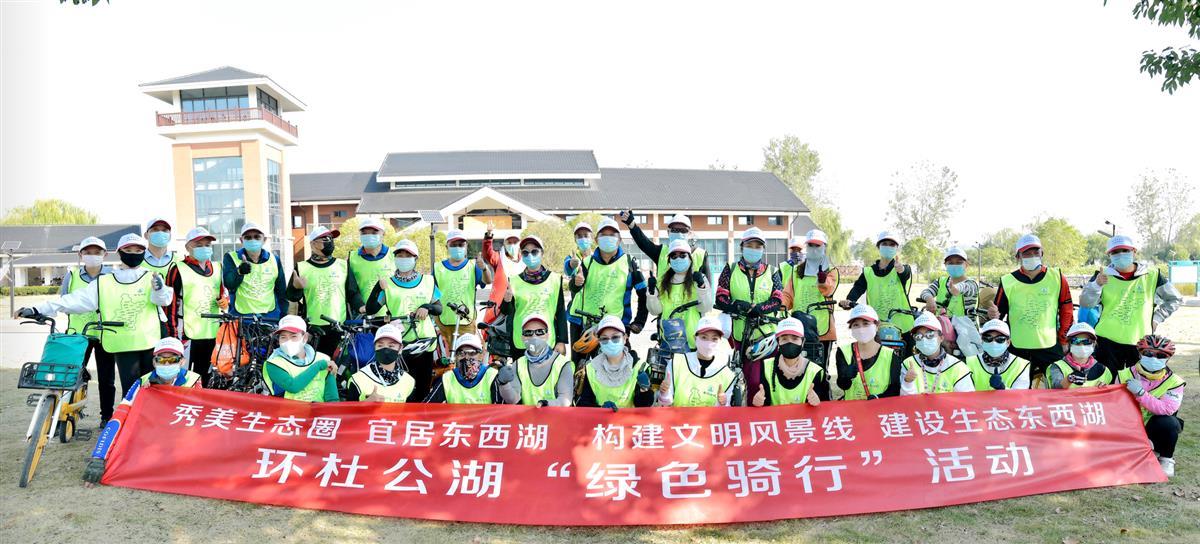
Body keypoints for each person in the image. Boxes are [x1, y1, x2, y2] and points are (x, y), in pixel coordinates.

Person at [20, 233, 173, 400]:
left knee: (157, 389)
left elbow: (164, 301)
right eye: (128, 250)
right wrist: (37, 309)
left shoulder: (152, 277)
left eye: (138, 250)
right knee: (131, 391)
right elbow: (73, 300)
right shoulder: (104, 282)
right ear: (120, 253)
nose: (133, 254)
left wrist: (160, 290)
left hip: (152, 341)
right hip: (124, 344)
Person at [82, 337, 201, 485]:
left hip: (178, 437)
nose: (167, 364)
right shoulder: (142, 382)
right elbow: (119, 417)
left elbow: (198, 420)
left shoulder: (194, 380)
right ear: (154, 362)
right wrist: (99, 457)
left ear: (182, 361)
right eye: (161, 360)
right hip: (149, 438)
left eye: (173, 359)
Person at [1080, 235, 1183, 374]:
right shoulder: (1102, 275)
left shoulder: (1152, 275)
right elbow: (1086, 303)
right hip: (1106, 342)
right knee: (1106, 383)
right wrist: (1096, 285)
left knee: (1138, 383)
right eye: (1115, 252)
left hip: (1140, 342)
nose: (1120, 254)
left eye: (1125, 250)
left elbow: (1175, 299)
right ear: (1109, 255)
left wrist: (1157, 319)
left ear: (1134, 251)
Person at [363, 239, 443, 401]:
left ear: (415, 259)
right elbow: (371, 309)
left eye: (408, 255)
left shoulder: (428, 281)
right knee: (403, 388)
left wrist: (427, 307)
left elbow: (439, 308)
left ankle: (420, 415)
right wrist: (377, 288)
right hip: (399, 344)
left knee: (423, 387)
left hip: (424, 343)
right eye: (400, 255)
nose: (403, 258)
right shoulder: (388, 283)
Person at [989, 233, 1073, 380]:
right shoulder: (1008, 281)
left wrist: (1064, 340)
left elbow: (1067, 310)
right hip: (1018, 348)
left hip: (1049, 346)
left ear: (1042, 253)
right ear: (1018, 257)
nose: (1032, 256)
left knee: (1058, 386)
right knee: (1018, 388)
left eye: (1036, 252)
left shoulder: (1057, 277)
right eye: (1027, 253)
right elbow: (998, 315)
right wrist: (993, 316)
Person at [715, 227, 784, 402]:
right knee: (751, 381)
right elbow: (721, 297)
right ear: (742, 247)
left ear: (763, 249)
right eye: (749, 245)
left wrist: (759, 308)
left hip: (767, 334)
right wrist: (738, 306)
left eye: (757, 246)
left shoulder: (773, 271)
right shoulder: (730, 269)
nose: (753, 249)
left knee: (770, 379)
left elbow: (777, 299)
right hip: (742, 335)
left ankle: (772, 412)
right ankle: (754, 414)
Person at [567, 217, 649, 361]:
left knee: (622, 367)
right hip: (586, 328)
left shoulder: (629, 262)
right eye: (603, 235)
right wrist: (576, 282)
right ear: (596, 240)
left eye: (612, 235)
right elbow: (574, 288)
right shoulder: (587, 262)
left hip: (616, 328)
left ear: (619, 239)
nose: (608, 238)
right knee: (580, 370)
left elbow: (644, 294)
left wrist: (639, 322)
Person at [59, 236, 116, 426]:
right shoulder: (72, 275)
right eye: (88, 252)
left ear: (105, 255)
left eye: (97, 252)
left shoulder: (112, 276)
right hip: (78, 336)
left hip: (104, 335)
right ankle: (65, 416)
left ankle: (106, 416)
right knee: (71, 377)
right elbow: (64, 302)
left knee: (106, 379)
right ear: (80, 254)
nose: (92, 255)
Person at [164, 227, 227, 387]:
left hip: (212, 332)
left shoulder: (217, 267)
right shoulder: (178, 269)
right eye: (199, 245)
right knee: (183, 378)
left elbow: (222, 294)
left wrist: (224, 301)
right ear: (188, 247)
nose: (204, 248)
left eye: (207, 245)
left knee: (207, 376)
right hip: (186, 334)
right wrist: (173, 335)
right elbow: (170, 305)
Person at [1117, 335, 1186, 477]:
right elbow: (1115, 404)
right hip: (1127, 425)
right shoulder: (1123, 374)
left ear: (1168, 358)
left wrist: (1141, 393)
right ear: (1140, 353)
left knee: (1169, 423)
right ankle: (1142, 447)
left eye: (1161, 355)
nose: (1154, 358)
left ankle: (1166, 459)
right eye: (1148, 353)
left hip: (1153, 426)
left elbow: (1167, 409)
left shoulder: (1175, 382)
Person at [841, 231, 914, 357]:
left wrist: (900, 269)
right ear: (878, 247)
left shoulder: (901, 268)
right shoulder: (868, 272)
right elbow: (858, 288)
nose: (888, 247)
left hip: (903, 326)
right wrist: (848, 301)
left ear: (896, 248)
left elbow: (905, 273)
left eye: (892, 245)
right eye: (885, 244)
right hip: (877, 326)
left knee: (907, 361)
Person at [781, 228, 839, 369]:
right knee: (798, 368)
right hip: (799, 327)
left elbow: (828, 290)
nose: (813, 249)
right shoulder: (796, 271)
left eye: (817, 245)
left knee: (820, 369)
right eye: (810, 245)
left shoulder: (831, 270)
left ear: (824, 247)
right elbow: (788, 295)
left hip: (822, 330)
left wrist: (822, 280)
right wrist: (779, 304)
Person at [500, 235, 568, 356]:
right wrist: (506, 300)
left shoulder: (555, 279)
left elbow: (560, 312)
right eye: (525, 253)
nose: (530, 255)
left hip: (547, 341)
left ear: (542, 253)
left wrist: (561, 341)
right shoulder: (514, 281)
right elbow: (506, 311)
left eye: (534, 251)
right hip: (521, 343)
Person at [287, 226, 349, 356]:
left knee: (337, 365)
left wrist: (362, 307)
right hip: (313, 329)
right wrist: (296, 288)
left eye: (331, 239)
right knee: (315, 363)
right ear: (313, 244)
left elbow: (352, 293)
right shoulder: (302, 267)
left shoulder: (343, 265)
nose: (329, 242)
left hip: (339, 327)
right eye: (325, 239)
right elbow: (291, 297)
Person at [432, 229, 492, 354]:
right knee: (444, 359)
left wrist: (484, 268)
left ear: (466, 246)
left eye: (461, 245)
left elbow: (487, 281)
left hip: (466, 322)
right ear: (447, 246)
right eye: (453, 245)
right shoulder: (438, 267)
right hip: (443, 322)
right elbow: (431, 292)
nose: (457, 248)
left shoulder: (473, 266)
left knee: (466, 356)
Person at [646, 239, 713, 350]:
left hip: (693, 342)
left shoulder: (699, 279)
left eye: (682, 255)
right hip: (668, 341)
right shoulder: (661, 282)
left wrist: (701, 287)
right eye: (674, 256)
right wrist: (652, 293)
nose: (678, 259)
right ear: (669, 261)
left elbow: (705, 307)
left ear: (690, 258)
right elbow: (655, 311)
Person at [620, 211, 710, 293]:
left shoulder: (701, 255)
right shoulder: (661, 252)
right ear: (668, 232)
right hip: (665, 305)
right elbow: (643, 243)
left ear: (689, 233)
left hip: (693, 305)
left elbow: (708, 288)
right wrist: (632, 224)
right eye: (674, 230)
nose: (679, 233)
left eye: (683, 230)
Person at [657, 315, 736, 407]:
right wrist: (664, 394)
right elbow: (665, 404)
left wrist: (722, 403)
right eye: (704, 337)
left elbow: (725, 411)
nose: (709, 343)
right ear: (695, 338)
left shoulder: (727, 375)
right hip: (679, 416)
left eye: (714, 339)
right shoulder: (676, 363)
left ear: (720, 341)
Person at [576, 315, 653, 408]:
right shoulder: (591, 369)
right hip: (600, 418)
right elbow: (584, 404)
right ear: (599, 342)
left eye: (615, 337)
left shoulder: (640, 368)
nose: (610, 342)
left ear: (625, 338)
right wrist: (601, 409)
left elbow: (643, 407)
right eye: (604, 339)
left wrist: (644, 390)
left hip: (629, 418)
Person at [498, 314, 574, 406]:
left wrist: (546, 404)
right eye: (528, 332)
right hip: (528, 415)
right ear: (522, 337)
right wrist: (504, 384)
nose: (534, 336)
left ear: (547, 335)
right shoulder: (518, 364)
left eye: (540, 332)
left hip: (555, 415)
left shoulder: (563, 364)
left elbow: (565, 400)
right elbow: (513, 400)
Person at [262, 315, 339, 402]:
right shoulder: (274, 363)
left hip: (317, 410)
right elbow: (293, 386)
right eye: (283, 337)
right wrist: (319, 366)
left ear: (305, 338)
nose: (288, 341)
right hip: (287, 410)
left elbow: (332, 397)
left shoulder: (323, 358)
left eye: (293, 336)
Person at [752, 317, 824, 407]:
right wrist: (758, 402)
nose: (790, 343)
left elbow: (824, 406)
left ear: (803, 342)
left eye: (795, 339)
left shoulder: (815, 371)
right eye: (784, 339)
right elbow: (763, 401)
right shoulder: (766, 366)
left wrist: (817, 401)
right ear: (778, 342)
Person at [835, 304, 902, 400]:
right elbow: (844, 386)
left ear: (876, 326)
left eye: (866, 323)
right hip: (852, 407)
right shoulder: (843, 352)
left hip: (880, 407)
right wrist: (846, 377)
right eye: (856, 325)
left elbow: (895, 388)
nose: (861, 329)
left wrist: (877, 398)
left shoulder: (890, 355)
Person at [221, 222, 286, 319]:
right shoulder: (231, 257)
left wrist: (284, 315)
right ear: (241, 240)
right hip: (242, 318)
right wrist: (239, 272)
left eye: (257, 237)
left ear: (264, 239)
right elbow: (228, 284)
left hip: (270, 317)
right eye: (248, 237)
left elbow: (281, 291)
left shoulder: (274, 259)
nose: (253, 240)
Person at [900, 312, 975, 394]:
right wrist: (908, 383)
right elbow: (906, 400)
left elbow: (966, 399)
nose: (924, 340)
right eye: (918, 336)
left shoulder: (958, 367)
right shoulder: (908, 363)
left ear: (941, 338)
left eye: (930, 334)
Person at [346, 323, 415, 402]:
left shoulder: (408, 381)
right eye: (380, 345)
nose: (385, 350)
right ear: (374, 347)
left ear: (400, 348)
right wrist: (365, 404)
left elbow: (412, 409)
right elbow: (348, 409)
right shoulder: (358, 379)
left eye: (391, 346)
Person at [425, 333, 503, 404]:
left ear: (481, 355)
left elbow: (501, 409)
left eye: (472, 353)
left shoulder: (492, 375)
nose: (466, 357)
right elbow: (427, 407)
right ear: (456, 357)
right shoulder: (447, 378)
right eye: (461, 353)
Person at [964, 319, 1031, 391]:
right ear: (982, 341)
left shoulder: (1021, 365)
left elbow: (1020, 395)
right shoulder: (969, 363)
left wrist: (1002, 388)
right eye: (988, 338)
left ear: (1008, 342)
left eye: (1000, 339)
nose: (993, 343)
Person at [347, 218, 395, 316]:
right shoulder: (352, 258)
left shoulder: (395, 254)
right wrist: (360, 306)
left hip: (393, 315)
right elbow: (351, 289)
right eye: (364, 233)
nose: (369, 236)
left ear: (383, 234)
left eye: (374, 232)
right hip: (364, 316)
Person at [1044, 322, 1113, 389]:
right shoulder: (1057, 367)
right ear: (1069, 344)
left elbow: (1113, 393)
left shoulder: (1104, 370)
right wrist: (1069, 379)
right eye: (1076, 341)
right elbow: (1056, 388)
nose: (1081, 345)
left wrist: (1105, 389)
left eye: (1087, 341)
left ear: (1094, 344)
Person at [918, 246, 980, 318]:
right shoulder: (940, 282)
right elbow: (925, 292)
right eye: (950, 263)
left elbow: (965, 287)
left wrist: (957, 288)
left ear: (966, 265)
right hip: (942, 324)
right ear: (945, 265)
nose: (954, 265)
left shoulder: (972, 284)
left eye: (959, 262)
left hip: (966, 325)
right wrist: (929, 299)